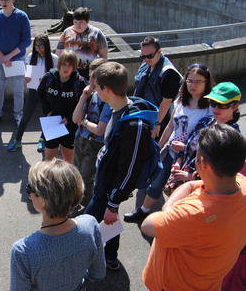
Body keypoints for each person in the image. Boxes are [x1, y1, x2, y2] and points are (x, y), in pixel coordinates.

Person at [141, 124, 246, 291]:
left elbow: (147, 225)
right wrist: (189, 189)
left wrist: (168, 209)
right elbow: (193, 186)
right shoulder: (240, 183)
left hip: (174, 286)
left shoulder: (194, 215)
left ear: (202, 163)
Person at [84, 62, 158, 270]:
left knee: (86, 224)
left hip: (110, 187)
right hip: (106, 180)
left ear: (106, 90)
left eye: (96, 87)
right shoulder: (117, 109)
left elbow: (130, 168)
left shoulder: (135, 125)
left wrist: (113, 203)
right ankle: (110, 257)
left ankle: (89, 262)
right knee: (109, 221)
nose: (94, 90)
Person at [124, 63, 213, 222]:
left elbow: (210, 140)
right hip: (171, 151)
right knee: (156, 182)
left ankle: (178, 220)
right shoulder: (181, 100)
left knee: (185, 190)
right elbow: (172, 124)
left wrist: (185, 148)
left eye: (198, 81)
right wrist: (159, 146)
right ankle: (144, 210)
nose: (193, 85)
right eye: (190, 81)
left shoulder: (210, 109)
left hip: (192, 158)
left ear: (207, 83)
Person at [10, 158, 105, 290]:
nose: (29, 193)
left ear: (43, 200)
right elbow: (98, 273)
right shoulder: (90, 224)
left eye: (30, 188)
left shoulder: (24, 250)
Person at [164, 81, 242, 194]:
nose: (216, 108)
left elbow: (224, 173)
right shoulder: (205, 121)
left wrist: (192, 177)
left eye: (222, 104)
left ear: (235, 106)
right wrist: (178, 163)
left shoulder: (232, 137)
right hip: (183, 182)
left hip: (203, 190)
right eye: (213, 103)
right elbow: (189, 145)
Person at [0, 0, 32, 128]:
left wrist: (9, 56)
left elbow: (26, 39)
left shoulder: (21, 16)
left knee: (18, 89)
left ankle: (18, 114)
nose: (3, 2)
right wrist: (2, 56)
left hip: (16, 59)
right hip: (0, 58)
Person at [72, 58, 112, 213]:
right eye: (90, 77)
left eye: (95, 77)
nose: (91, 81)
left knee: (82, 179)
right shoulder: (91, 94)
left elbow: (99, 130)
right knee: (84, 180)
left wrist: (83, 122)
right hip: (81, 140)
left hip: (95, 144)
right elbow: (75, 118)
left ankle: (75, 208)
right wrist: (83, 97)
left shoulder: (108, 100)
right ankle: (90, 208)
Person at [6, 34, 58, 152]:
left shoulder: (54, 58)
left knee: (47, 117)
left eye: (41, 46)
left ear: (47, 46)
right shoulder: (31, 56)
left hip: (48, 93)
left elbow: (57, 77)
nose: (38, 48)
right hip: (34, 90)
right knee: (25, 117)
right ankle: (17, 140)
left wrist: (47, 80)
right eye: (36, 46)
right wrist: (27, 77)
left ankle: (42, 140)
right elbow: (28, 73)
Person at [37, 50, 87, 164]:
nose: (66, 68)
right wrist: (47, 111)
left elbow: (83, 104)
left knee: (68, 156)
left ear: (74, 66)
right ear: (59, 64)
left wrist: (69, 118)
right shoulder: (49, 78)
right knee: (49, 158)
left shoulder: (79, 82)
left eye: (70, 65)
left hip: (70, 124)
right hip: (52, 122)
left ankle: (67, 180)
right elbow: (40, 93)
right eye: (64, 64)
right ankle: (49, 180)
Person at [133, 36, 182, 140]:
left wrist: (157, 123)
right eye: (143, 56)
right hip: (145, 113)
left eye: (150, 56)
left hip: (161, 119)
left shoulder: (168, 72)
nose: (146, 59)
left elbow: (167, 101)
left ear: (159, 51)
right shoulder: (146, 64)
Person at [55, 7, 108, 80]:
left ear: (87, 21)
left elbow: (103, 55)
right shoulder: (67, 32)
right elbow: (59, 53)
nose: (78, 26)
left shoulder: (97, 33)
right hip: (70, 71)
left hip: (90, 72)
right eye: (75, 22)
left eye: (81, 23)